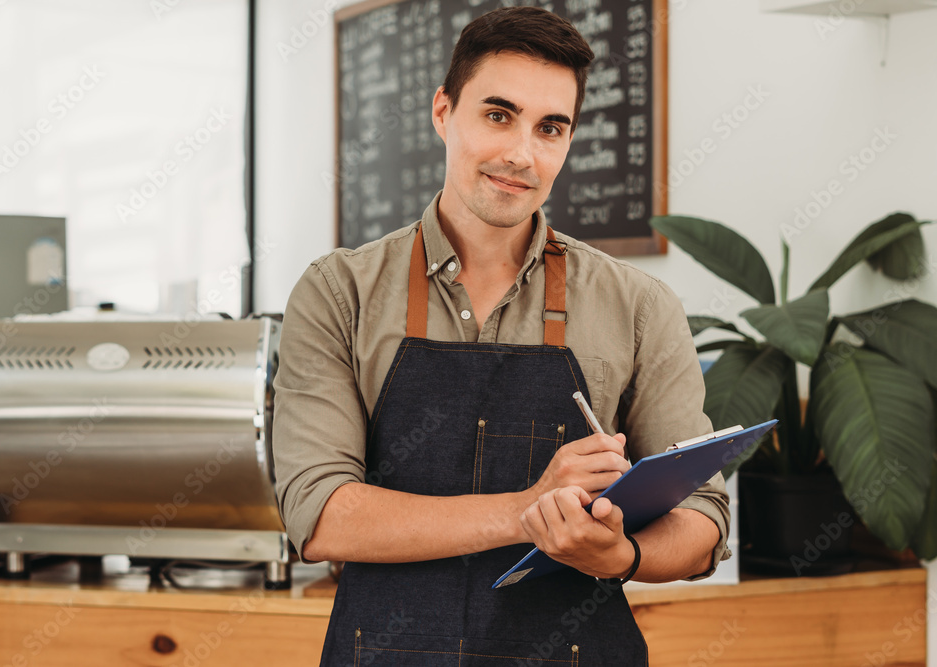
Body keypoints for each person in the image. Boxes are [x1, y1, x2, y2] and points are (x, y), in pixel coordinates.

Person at [273, 7, 729, 666]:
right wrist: (526, 510)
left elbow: (704, 520)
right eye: (497, 115)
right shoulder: (338, 292)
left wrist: (623, 552)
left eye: (551, 128)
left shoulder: (639, 306)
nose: (521, 153)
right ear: (442, 112)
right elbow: (321, 516)